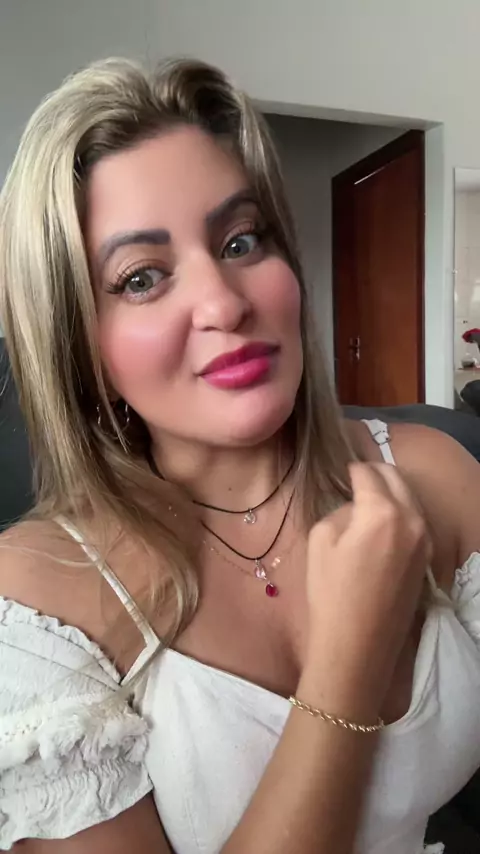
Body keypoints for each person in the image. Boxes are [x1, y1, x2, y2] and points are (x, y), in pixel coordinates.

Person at [0, 58, 479, 854]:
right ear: (78, 343)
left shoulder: (435, 473)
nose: (224, 303)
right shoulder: (34, 606)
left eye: (241, 240)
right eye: (142, 278)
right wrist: (349, 661)